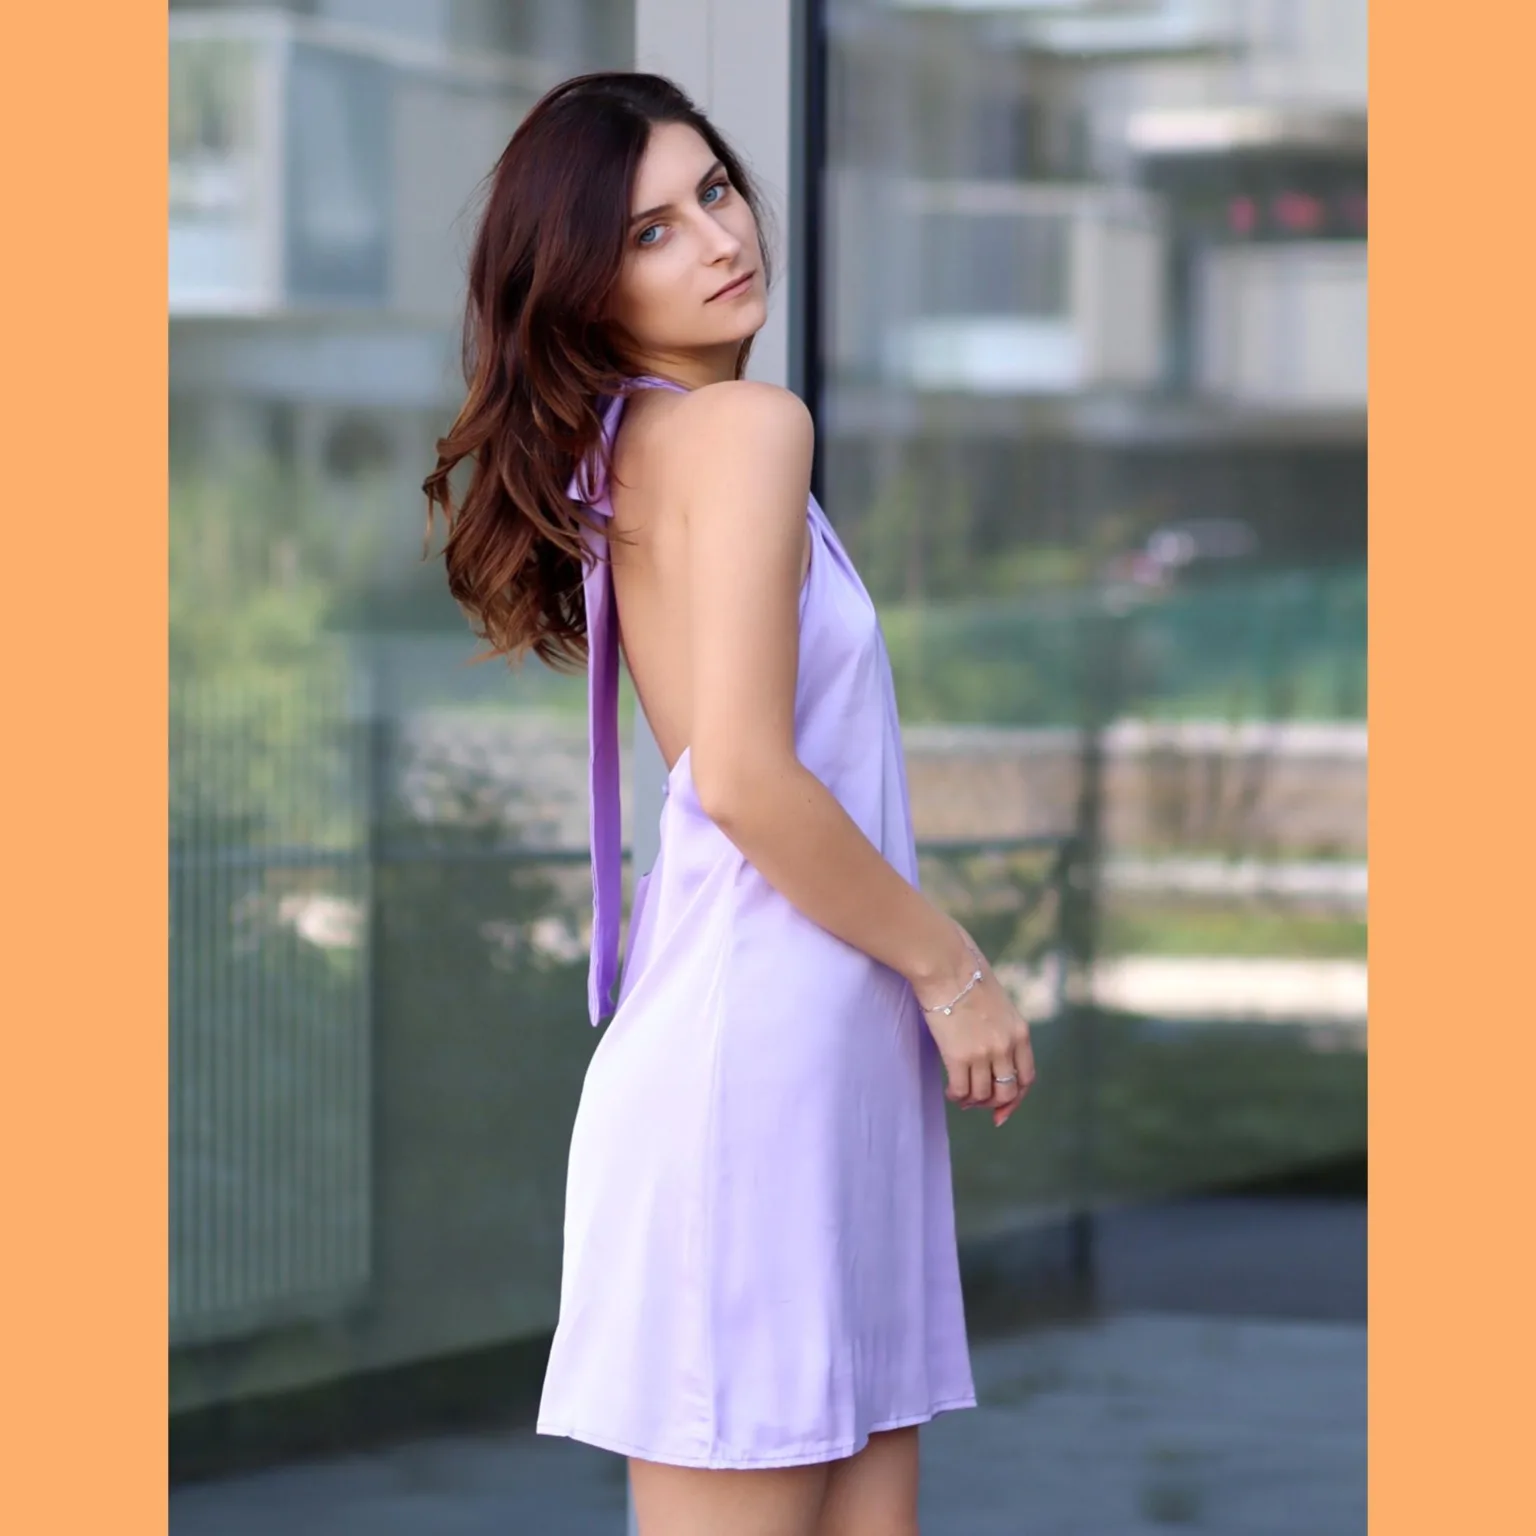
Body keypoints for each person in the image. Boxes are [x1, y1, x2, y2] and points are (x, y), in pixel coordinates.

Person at [424, 71, 1036, 1536]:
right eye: (650, 232)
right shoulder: (744, 430)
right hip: (764, 1070)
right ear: (584, 287)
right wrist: (954, 972)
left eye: (712, 190)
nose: (719, 237)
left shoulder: (644, 447)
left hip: (816, 1061)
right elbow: (745, 777)